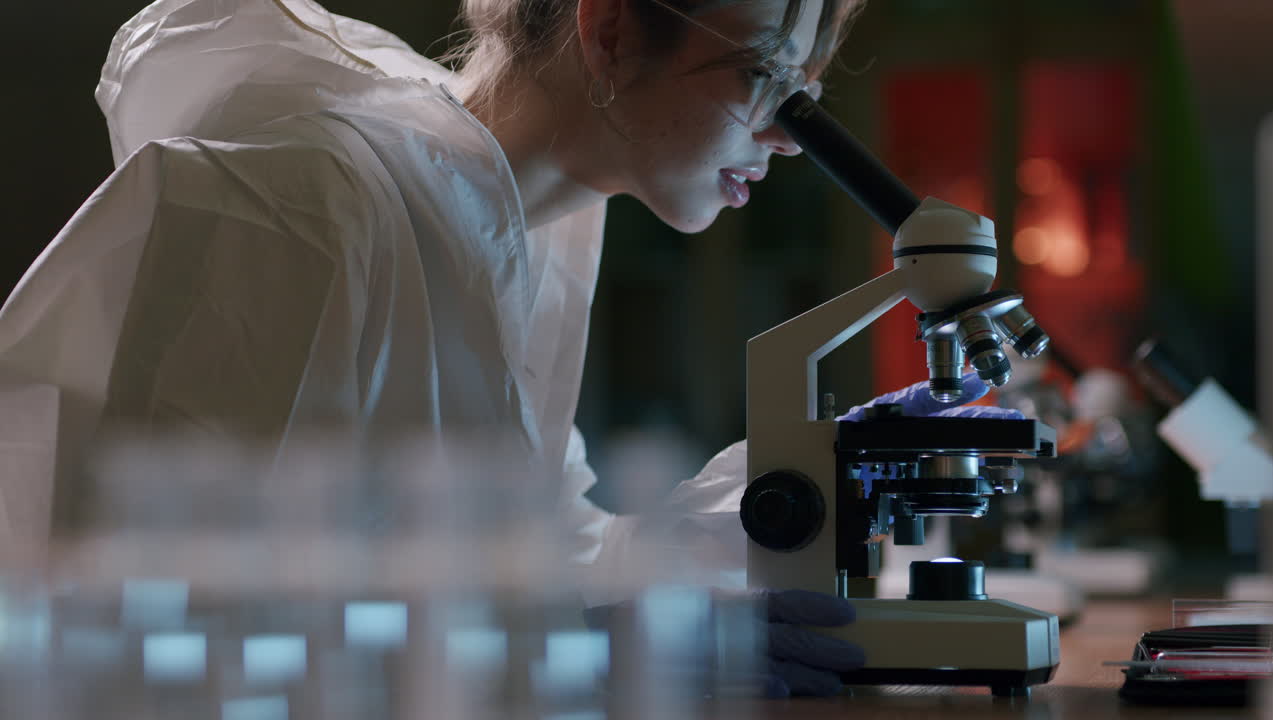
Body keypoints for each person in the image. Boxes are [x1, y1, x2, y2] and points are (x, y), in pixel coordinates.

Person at [0, 0, 1006, 697]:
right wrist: (584, 655)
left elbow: (554, 565)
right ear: (608, 31)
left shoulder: (518, 235)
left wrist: (807, 479)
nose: (790, 138)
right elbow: (155, 633)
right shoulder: (306, 202)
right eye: (762, 79)